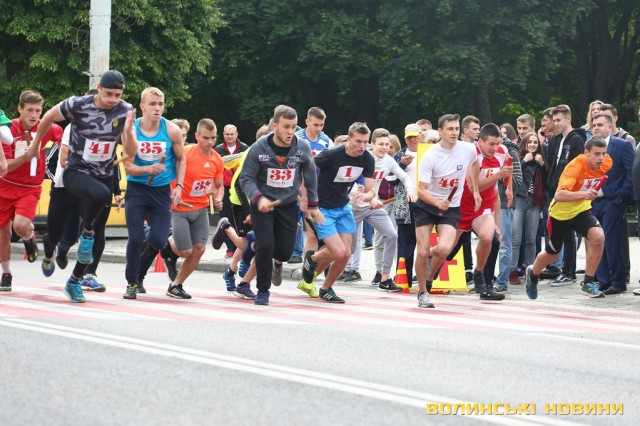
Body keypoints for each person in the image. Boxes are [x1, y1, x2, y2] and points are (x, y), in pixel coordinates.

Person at [29, 71, 137, 301]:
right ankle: (50, 249)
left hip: (103, 175)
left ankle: (75, 280)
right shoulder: (77, 105)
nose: (113, 100)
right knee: (56, 232)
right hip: (75, 173)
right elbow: (47, 117)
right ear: (99, 88)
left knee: (98, 226)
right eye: (108, 94)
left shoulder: (125, 110)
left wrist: (128, 131)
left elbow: (130, 153)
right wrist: (35, 146)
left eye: (117, 95)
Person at [238, 105, 323, 306]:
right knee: (267, 245)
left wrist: (313, 204)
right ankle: (263, 290)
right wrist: (259, 198)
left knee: (284, 253)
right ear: (275, 126)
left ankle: (257, 244)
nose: (290, 131)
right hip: (263, 205)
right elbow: (246, 178)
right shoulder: (259, 147)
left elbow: (310, 177)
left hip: (288, 205)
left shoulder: (302, 147)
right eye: (286, 127)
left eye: (293, 127)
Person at [41, 89, 123, 293]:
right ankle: (54, 249)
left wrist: (116, 190)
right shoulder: (73, 127)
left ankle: (86, 275)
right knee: (64, 236)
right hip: (67, 186)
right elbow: (62, 159)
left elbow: (112, 164)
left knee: (96, 230)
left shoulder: (110, 129)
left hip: (92, 189)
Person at [525, 137, 611, 299]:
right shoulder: (574, 168)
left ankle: (588, 282)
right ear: (586, 153)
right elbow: (559, 195)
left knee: (598, 237)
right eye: (596, 154)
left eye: (604, 153)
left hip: (581, 210)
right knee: (552, 254)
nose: (601, 158)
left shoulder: (607, 162)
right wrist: (584, 194)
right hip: (560, 214)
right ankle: (533, 273)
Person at [298, 122, 375, 303]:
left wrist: (368, 196)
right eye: (358, 141)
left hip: (343, 207)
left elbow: (371, 190)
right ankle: (313, 259)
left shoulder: (367, 159)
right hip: (322, 208)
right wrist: (305, 198)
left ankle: (326, 288)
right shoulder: (331, 154)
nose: (362, 146)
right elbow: (305, 172)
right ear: (348, 139)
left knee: (346, 254)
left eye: (365, 142)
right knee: (338, 251)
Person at [123, 87, 186, 299]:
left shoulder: (172, 130)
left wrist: (179, 187)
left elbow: (181, 159)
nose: (157, 108)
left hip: (161, 191)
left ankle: (146, 232)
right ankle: (132, 283)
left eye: (160, 104)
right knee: (134, 239)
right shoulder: (132, 131)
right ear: (142, 106)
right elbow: (128, 168)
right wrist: (148, 169)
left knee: (159, 241)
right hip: (137, 189)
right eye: (152, 104)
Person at [413, 114, 481, 308]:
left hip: (451, 207)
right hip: (427, 206)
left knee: (444, 249)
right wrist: (437, 202)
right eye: (450, 129)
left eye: (456, 129)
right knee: (421, 251)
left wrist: (475, 190)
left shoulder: (468, 149)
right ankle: (423, 292)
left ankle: (429, 262)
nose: (454, 133)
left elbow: (475, 163)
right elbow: (421, 190)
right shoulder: (431, 155)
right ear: (440, 131)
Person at [0, 91, 63, 292]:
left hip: (30, 188)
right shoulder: (8, 130)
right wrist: (26, 157)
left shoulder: (46, 127)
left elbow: (63, 137)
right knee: (3, 235)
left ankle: (29, 237)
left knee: (20, 225)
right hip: (5, 186)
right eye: (29, 110)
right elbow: (4, 166)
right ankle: (6, 273)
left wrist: (65, 156)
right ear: (20, 109)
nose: (34, 115)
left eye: (38, 110)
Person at [157, 118, 224, 299]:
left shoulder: (217, 159)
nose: (210, 142)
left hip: (200, 209)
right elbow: (165, 171)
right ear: (197, 136)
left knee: (199, 249)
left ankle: (176, 285)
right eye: (206, 138)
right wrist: (171, 191)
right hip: (179, 208)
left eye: (213, 138)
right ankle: (167, 243)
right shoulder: (185, 153)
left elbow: (218, 185)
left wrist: (218, 197)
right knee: (184, 251)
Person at [347, 128, 415, 292]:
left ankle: (384, 278)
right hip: (352, 207)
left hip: (373, 206)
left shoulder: (389, 160)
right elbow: (350, 183)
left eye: (387, 144)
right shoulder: (363, 158)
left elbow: (404, 176)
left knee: (391, 235)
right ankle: (320, 265)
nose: (385, 148)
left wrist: (410, 190)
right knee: (348, 248)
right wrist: (363, 194)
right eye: (381, 144)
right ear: (372, 144)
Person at [590, 113, 634, 295]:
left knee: (612, 240)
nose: (595, 128)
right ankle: (603, 281)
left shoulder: (622, 145)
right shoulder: (590, 147)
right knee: (597, 240)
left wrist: (620, 196)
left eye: (600, 124)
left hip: (613, 200)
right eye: (594, 125)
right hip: (595, 201)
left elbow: (631, 172)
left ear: (610, 127)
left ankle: (618, 281)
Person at [544, 105, 586, 286]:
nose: (556, 123)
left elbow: (578, 167)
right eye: (554, 120)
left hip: (569, 191)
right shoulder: (556, 139)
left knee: (568, 232)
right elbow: (554, 165)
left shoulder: (576, 140)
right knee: (560, 230)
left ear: (568, 118)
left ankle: (569, 271)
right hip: (555, 190)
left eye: (559, 120)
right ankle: (562, 268)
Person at [290, 107, 333, 264]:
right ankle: (286, 255)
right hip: (293, 190)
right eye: (316, 124)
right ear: (307, 122)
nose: (319, 128)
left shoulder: (326, 141)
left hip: (314, 192)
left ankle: (307, 268)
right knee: (292, 227)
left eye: (322, 125)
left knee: (313, 234)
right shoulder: (296, 139)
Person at [510, 132, 548, 284]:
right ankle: (512, 270)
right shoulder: (519, 157)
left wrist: (542, 165)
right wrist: (524, 161)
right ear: (524, 144)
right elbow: (513, 177)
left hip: (534, 202)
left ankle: (530, 269)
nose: (532, 145)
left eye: (535, 142)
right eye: (529, 142)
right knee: (516, 238)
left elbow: (548, 180)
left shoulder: (541, 159)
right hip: (519, 200)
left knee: (531, 239)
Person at [392, 123, 423, 288]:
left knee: (426, 243)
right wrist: (402, 165)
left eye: (416, 136)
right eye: (409, 137)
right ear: (405, 138)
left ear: (421, 136)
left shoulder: (431, 153)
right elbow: (390, 180)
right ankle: (404, 279)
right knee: (405, 244)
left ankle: (428, 279)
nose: (413, 140)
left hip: (427, 204)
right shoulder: (399, 155)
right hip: (405, 205)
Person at [215, 124, 249, 258]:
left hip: (240, 188)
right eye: (227, 134)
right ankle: (230, 248)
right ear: (223, 135)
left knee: (240, 218)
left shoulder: (244, 148)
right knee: (225, 216)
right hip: (224, 187)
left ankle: (241, 247)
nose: (229, 137)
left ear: (236, 134)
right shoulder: (218, 150)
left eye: (232, 134)